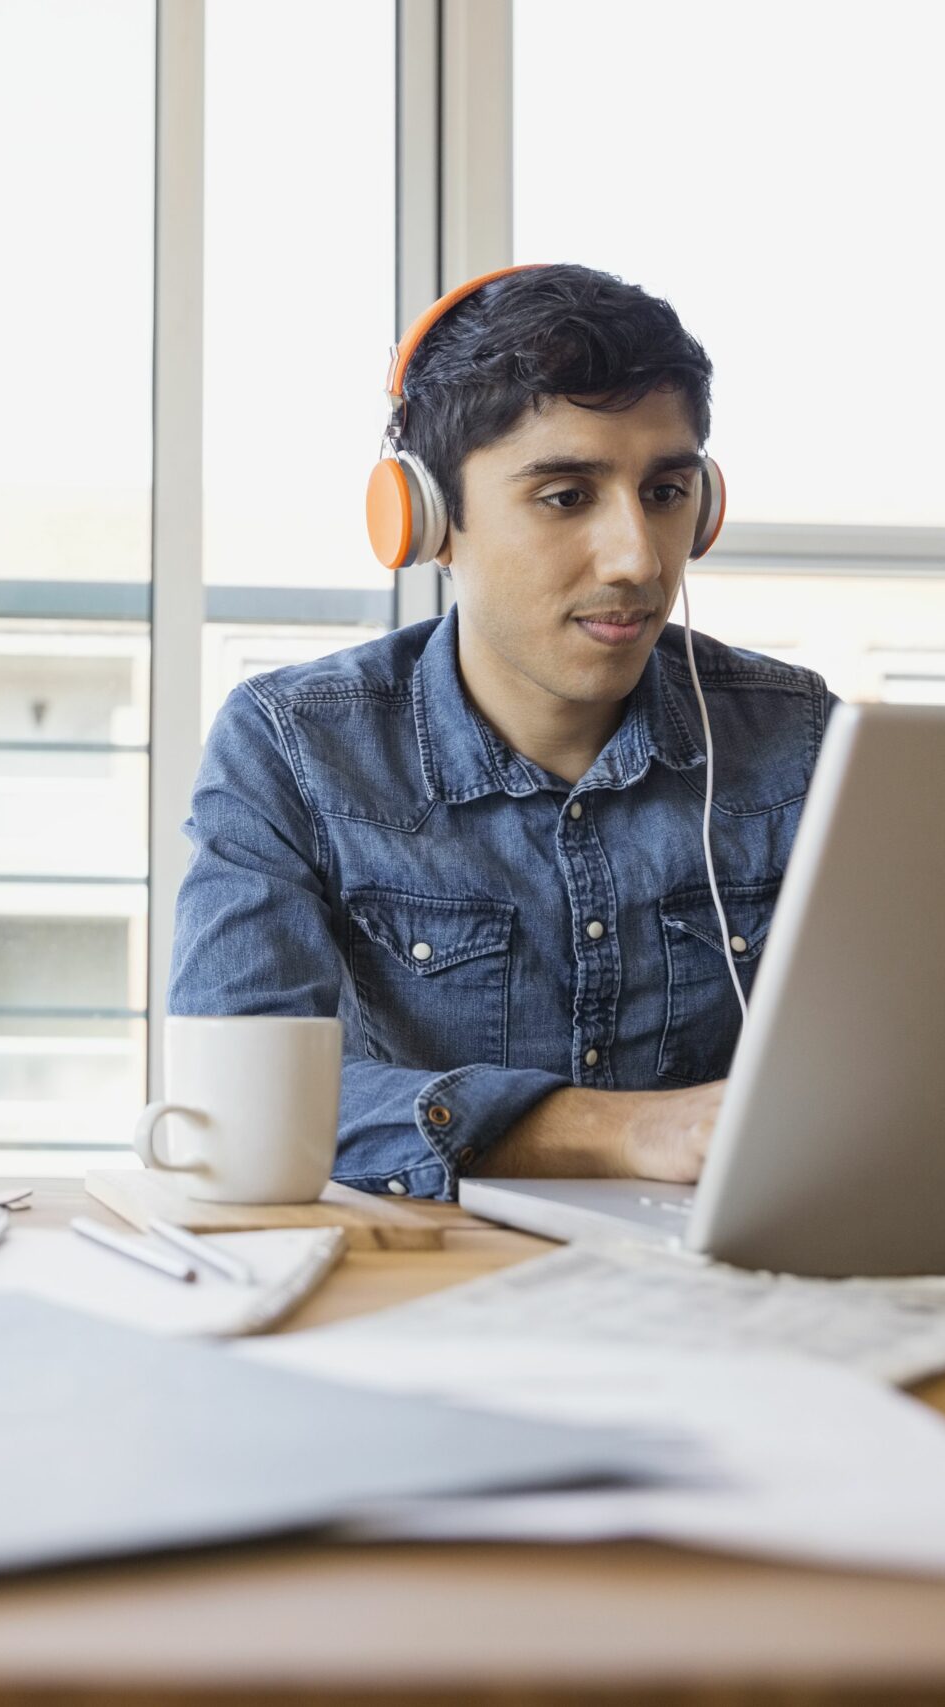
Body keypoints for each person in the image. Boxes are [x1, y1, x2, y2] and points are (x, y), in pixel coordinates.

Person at [169, 263, 839, 1201]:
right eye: (566, 495)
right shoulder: (294, 746)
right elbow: (235, 1101)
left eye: (666, 492)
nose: (638, 558)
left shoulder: (800, 737)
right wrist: (626, 1131)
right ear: (428, 518)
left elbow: (908, 1061)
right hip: (419, 1288)